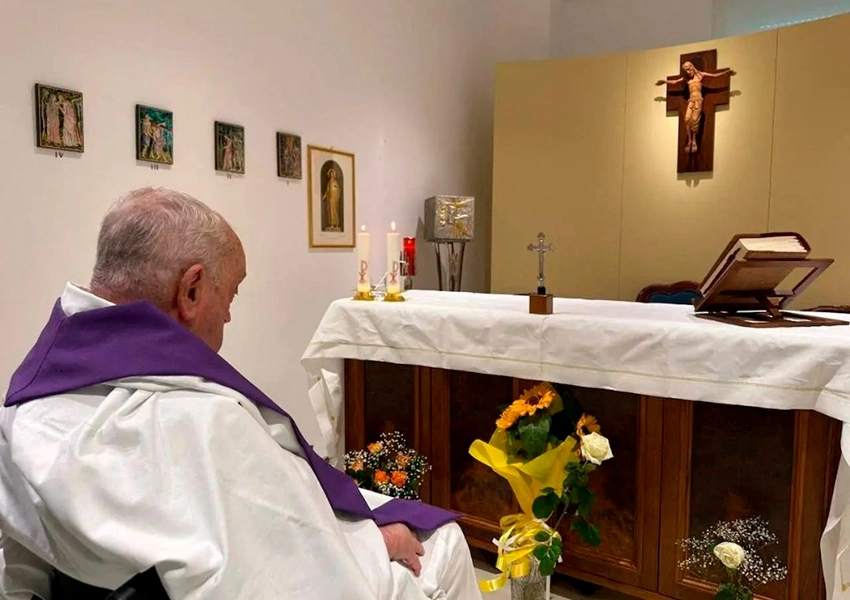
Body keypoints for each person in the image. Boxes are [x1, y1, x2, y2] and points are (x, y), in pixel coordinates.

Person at [0, 187, 480, 599]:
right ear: (190, 291)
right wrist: (378, 544)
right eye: (230, 294)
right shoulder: (202, 421)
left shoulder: (30, 400)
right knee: (445, 542)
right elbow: (290, 568)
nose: (228, 316)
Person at [656, 61, 735, 154]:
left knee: (694, 120)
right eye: (686, 71)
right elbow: (675, 82)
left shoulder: (700, 75)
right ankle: (689, 140)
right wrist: (664, 82)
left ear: (692, 67)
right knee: (686, 119)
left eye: (689, 69)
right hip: (691, 100)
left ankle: (694, 141)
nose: (688, 72)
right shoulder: (686, 79)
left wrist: (727, 73)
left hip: (698, 100)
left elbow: (714, 76)